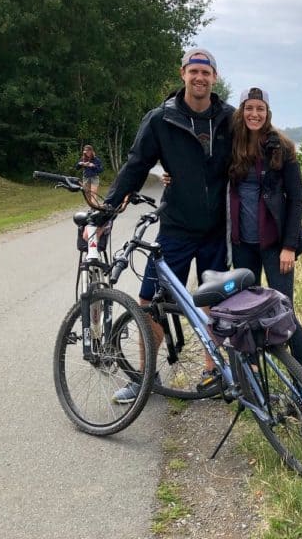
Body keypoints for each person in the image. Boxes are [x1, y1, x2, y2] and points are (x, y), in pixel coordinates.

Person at [104, 48, 233, 403]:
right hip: (175, 228)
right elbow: (135, 164)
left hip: (215, 231)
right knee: (149, 302)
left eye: (206, 73)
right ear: (183, 74)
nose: (200, 78)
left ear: (214, 78)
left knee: (215, 304)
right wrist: (109, 207)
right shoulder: (161, 119)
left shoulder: (229, 119)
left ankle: (214, 375)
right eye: (194, 71)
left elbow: (256, 151)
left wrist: (285, 155)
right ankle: (146, 378)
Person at [162, 86, 302, 378]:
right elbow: (202, 171)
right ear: (242, 112)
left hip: (275, 245)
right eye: (249, 108)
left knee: (285, 313)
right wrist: (172, 176)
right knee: (245, 315)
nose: (254, 114)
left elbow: (296, 199)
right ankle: (253, 379)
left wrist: (290, 246)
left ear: (267, 113)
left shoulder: (282, 148)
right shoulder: (233, 145)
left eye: (260, 108)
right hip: (242, 245)